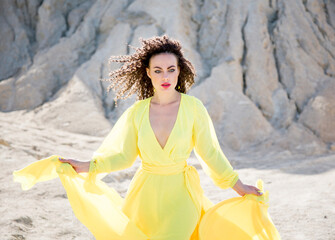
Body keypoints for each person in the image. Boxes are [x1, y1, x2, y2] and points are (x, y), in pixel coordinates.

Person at [57, 35, 262, 239]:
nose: (165, 77)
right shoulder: (137, 112)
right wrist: (84, 166)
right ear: (148, 73)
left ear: (179, 70)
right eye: (158, 70)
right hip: (145, 196)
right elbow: (124, 157)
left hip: (182, 194)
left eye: (171, 70)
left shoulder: (193, 108)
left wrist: (239, 186)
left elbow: (210, 153)